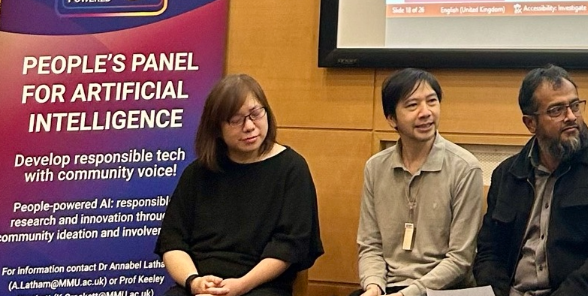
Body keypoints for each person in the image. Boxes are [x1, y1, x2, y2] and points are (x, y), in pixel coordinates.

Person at [473, 66, 588, 296]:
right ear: (530, 123)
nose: (571, 117)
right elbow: (490, 253)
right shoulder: (507, 174)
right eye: (556, 110)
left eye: (575, 105)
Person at [157, 74, 323, 296]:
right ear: (216, 128)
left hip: (260, 285)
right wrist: (194, 282)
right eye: (236, 120)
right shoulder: (197, 173)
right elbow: (173, 241)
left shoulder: (291, 168)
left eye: (255, 114)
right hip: (200, 282)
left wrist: (240, 285)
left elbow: (290, 245)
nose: (249, 126)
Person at [356, 70, 484, 296]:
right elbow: (370, 245)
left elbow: (460, 258)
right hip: (390, 287)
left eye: (432, 102)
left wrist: (409, 293)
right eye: (412, 105)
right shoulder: (376, 168)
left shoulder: (464, 168)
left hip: (446, 289)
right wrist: (374, 286)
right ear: (391, 118)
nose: (426, 113)